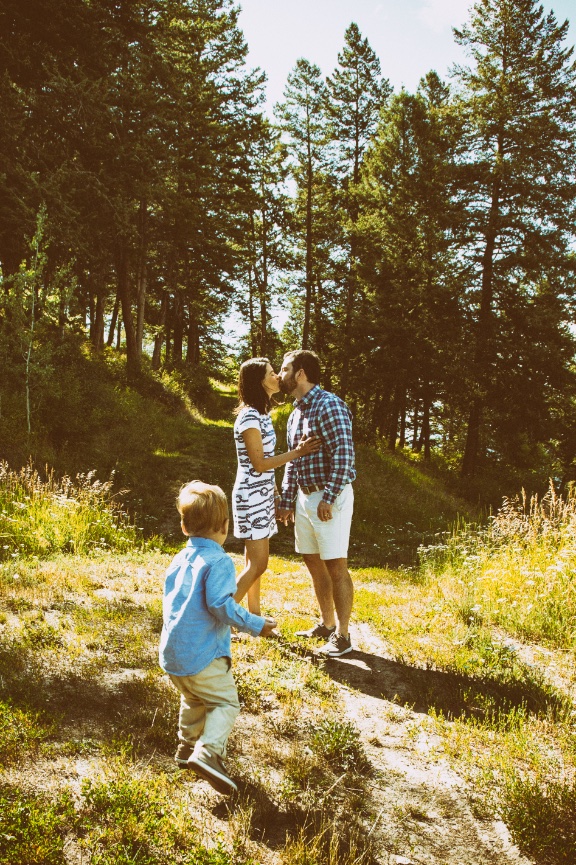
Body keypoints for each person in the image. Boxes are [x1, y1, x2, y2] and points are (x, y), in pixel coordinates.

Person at [159, 480, 277, 795]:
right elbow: (220, 606)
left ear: (184, 527)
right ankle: (209, 752)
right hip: (202, 655)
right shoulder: (219, 561)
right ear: (225, 527)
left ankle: (186, 749)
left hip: (174, 655)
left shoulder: (179, 559)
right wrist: (256, 623)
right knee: (224, 701)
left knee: (193, 698)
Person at [277, 349, 356, 658]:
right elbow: (293, 462)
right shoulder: (295, 413)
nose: (279, 375)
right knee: (313, 562)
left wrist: (329, 496)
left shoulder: (330, 405)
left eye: (284, 369)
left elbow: (344, 456)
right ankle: (326, 624)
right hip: (303, 497)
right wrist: (286, 500)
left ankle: (343, 636)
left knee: (336, 566)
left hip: (328, 497)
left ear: (300, 373)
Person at [232, 357, 319, 614]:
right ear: (259, 381)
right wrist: (298, 452)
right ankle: (220, 615)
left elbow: (264, 469)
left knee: (253, 562)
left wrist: (277, 495)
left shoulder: (262, 415)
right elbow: (259, 464)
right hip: (250, 497)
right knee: (259, 564)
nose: (277, 377)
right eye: (272, 373)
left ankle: (253, 616)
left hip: (262, 496)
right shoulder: (248, 416)